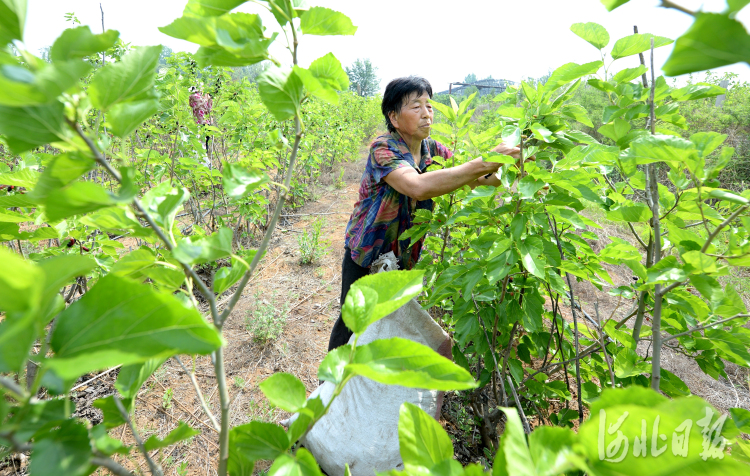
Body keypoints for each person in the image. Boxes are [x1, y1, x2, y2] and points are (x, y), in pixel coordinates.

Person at [327, 76, 521, 351]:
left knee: (387, 323)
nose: (426, 113)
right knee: (352, 324)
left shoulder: (434, 150)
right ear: (394, 117)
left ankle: (373, 387)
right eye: (416, 106)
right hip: (367, 254)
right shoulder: (383, 148)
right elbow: (417, 187)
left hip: (402, 257)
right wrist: (485, 160)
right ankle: (329, 387)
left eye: (429, 106)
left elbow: (482, 180)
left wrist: (511, 163)